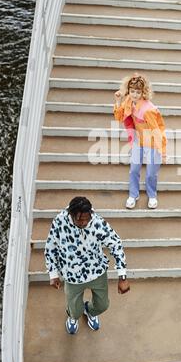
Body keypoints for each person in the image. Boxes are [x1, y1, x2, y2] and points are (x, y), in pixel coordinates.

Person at [44, 196, 130, 335]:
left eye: (86, 218)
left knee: (103, 305)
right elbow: (50, 247)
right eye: (79, 219)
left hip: (96, 270)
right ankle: (73, 317)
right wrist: (53, 274)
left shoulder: (97, 223)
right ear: (71, 215)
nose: (84, 222)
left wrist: (123, 276)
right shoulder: (59, 222)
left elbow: (116, 244)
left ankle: (89, 311)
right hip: (72, 275)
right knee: (74, 310)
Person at [114, 73, 167, 209]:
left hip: (152, 140)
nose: (135, 95)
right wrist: (118, 101)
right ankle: (133, 194)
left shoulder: (148, 110)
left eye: (138, 92)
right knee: (134, 169)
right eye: (132, 91)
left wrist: (162, 151)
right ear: (128, 91)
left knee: (150, 172)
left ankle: (152, 195)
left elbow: (156, 130)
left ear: (143, 92)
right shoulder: (128, 101)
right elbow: (119, 117)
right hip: (138, 138)